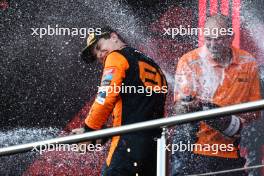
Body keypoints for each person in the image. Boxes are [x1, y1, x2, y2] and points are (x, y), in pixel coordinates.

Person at [172, 14, 261, 176]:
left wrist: (234, 121)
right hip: (195, 150)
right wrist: (188, 106)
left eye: (218, 39)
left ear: (230, 37)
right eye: (208, 38)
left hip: (232, 151)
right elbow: (178, 110)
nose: (212, 44)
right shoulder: (189, 61)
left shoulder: (248, 62)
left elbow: (255, 112)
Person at [73, 27, 167, 176]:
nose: (99, 55)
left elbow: (105, 97)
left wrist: (88, 130)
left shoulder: (115, 57)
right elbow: (140, 110)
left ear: (114, 37)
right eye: (96, 55)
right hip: (156, 149)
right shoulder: (153, 65)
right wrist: (105, 133)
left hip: (127, 145)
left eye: (99, 47)